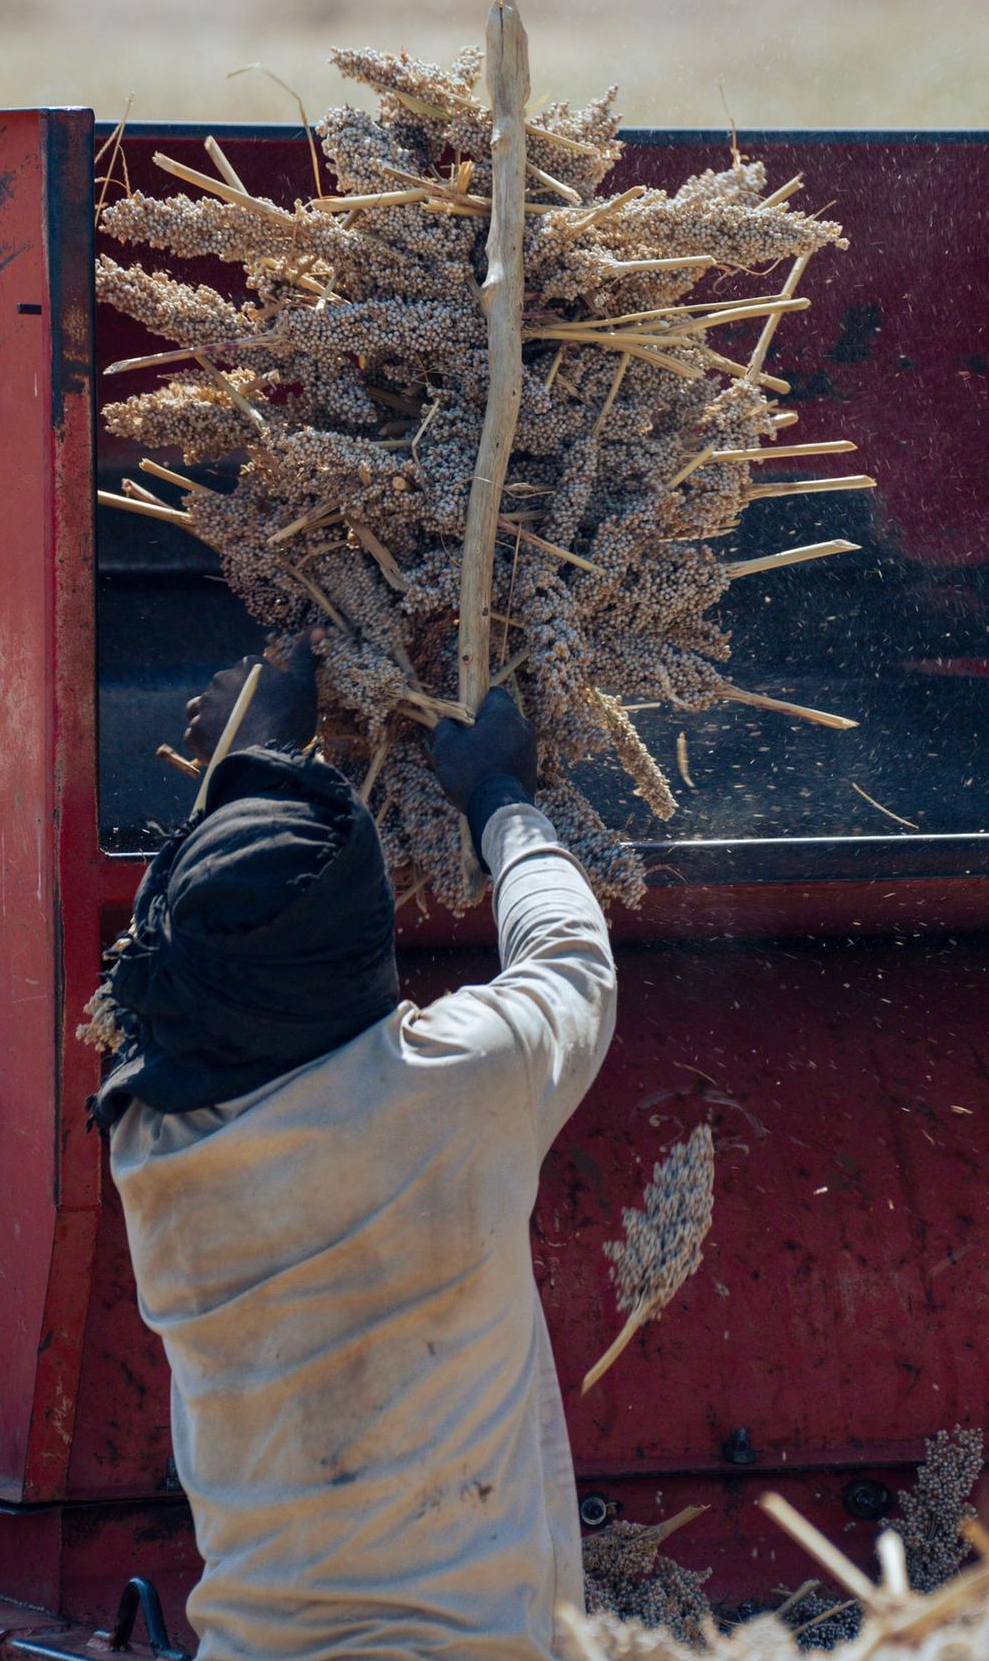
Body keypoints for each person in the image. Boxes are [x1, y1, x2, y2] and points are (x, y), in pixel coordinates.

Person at [91, 639, 615, 1659]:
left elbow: (200, 956)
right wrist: (500, 790)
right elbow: (571, 961)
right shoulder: (456, 1088)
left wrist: (247, 766)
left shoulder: (151, 1152)